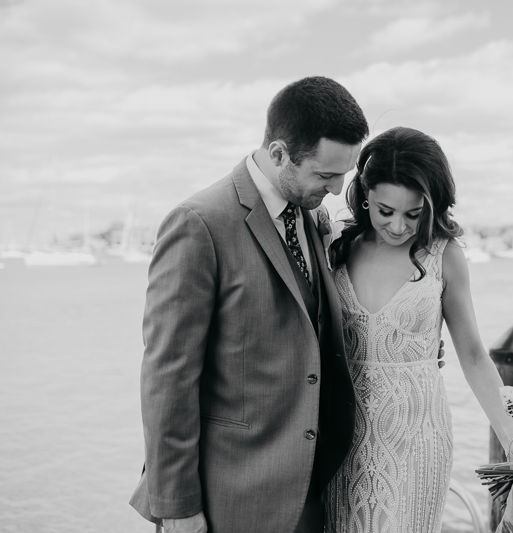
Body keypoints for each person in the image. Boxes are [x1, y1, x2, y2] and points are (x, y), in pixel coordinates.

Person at [129, 76, 369, 533]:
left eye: (344, 174)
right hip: (229, 498)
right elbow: (168, 376)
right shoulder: (199, 223)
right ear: (278, 154)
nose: (338, 190)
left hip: (312, 495)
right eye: (325, 175)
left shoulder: (310, 212)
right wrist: (178, 508)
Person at [324, 127, 513, 532]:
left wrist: (512, 437)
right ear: (365, 196)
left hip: (416, 439)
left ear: (432, 206)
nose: (399, 226)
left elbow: (472, 355)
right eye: (385, 210)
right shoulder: (337, 247)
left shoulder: (445, 256)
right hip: (343, 436)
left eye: (413, 214)